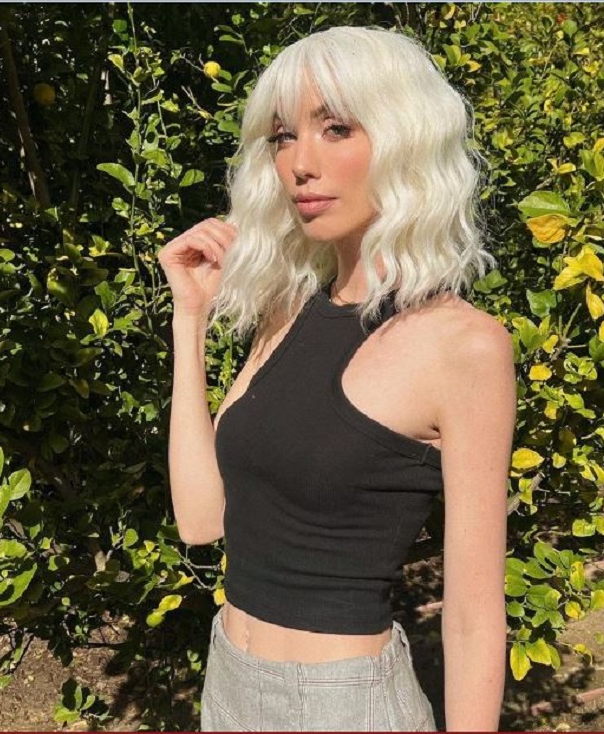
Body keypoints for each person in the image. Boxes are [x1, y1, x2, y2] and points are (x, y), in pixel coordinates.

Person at [158, 25, 516, 732]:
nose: (300, 162)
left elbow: (474, 614)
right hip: (227, 684)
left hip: (343, 705)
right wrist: (189, 319)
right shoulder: (288, 312)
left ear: (406, 139)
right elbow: (201, 520)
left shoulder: (463, 346)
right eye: (283, 136)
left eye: (337, 129)